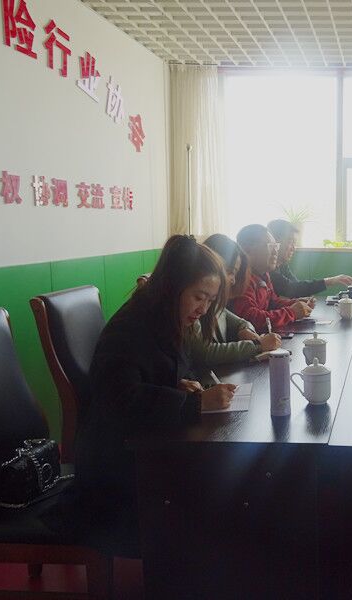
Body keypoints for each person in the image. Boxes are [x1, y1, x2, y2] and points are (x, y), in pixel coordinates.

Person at [74, 235, 237, 553]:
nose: (203, 309)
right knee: (220, 488)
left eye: (209, 301)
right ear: (173, 287)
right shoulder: (131, 327)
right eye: (199, 297)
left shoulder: (162, 317)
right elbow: (121, 401)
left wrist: (176, 386)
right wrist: (194, 403)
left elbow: (149, 375)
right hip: (119, 469)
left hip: (143, 448)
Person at [184, 234, 282, 367]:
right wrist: (257, 345)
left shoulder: (214, 303)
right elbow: (204, 353)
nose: (233, 280)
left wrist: (245, 330)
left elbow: (242, 322)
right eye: (231, 272)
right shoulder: (193, 307)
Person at [231, 224, 313, 331]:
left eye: (276, 246)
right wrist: (291, 312)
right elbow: (252, 319)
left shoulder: (264, 274)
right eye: (270, 246)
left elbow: (273, 302)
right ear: (247, 250)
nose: (275, 252)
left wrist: (295, 303)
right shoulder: (241, 279)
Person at [267, 219, 352, 297]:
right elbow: (290, 289)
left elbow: (297, 286)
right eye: (290, 241)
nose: (293, 248)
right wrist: (330, 281)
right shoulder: (267, 269)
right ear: (274, 242)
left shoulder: (282, 264)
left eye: (295, 243)